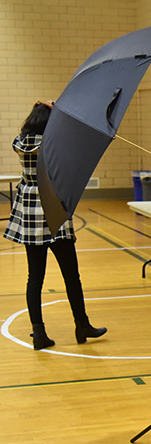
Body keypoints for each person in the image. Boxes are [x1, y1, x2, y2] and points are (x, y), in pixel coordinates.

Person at [3, 100, 107, 350]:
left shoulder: (20, 143)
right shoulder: (53, 145)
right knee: (71, 275)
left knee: (34, 277)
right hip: (53, 210)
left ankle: (38, 333)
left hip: (30, 212)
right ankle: (82, 325)